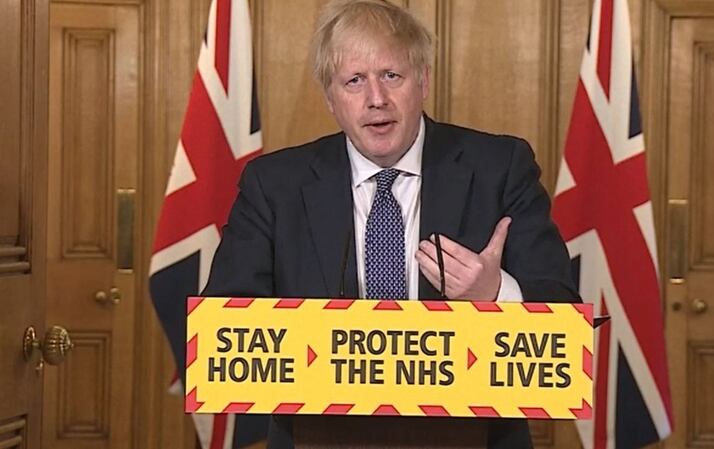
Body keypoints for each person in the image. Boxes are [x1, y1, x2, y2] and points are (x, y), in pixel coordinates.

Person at [203, 0, 579, 447]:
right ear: (330, 98)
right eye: (354, 80)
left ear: (423, 82)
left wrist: (495, 294)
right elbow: (223, 328)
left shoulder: (500, 168)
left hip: (474, 438)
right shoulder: (275, 185)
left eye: (391, 75)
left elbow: (565, 320)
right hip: (318, 437)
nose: (376, 98)